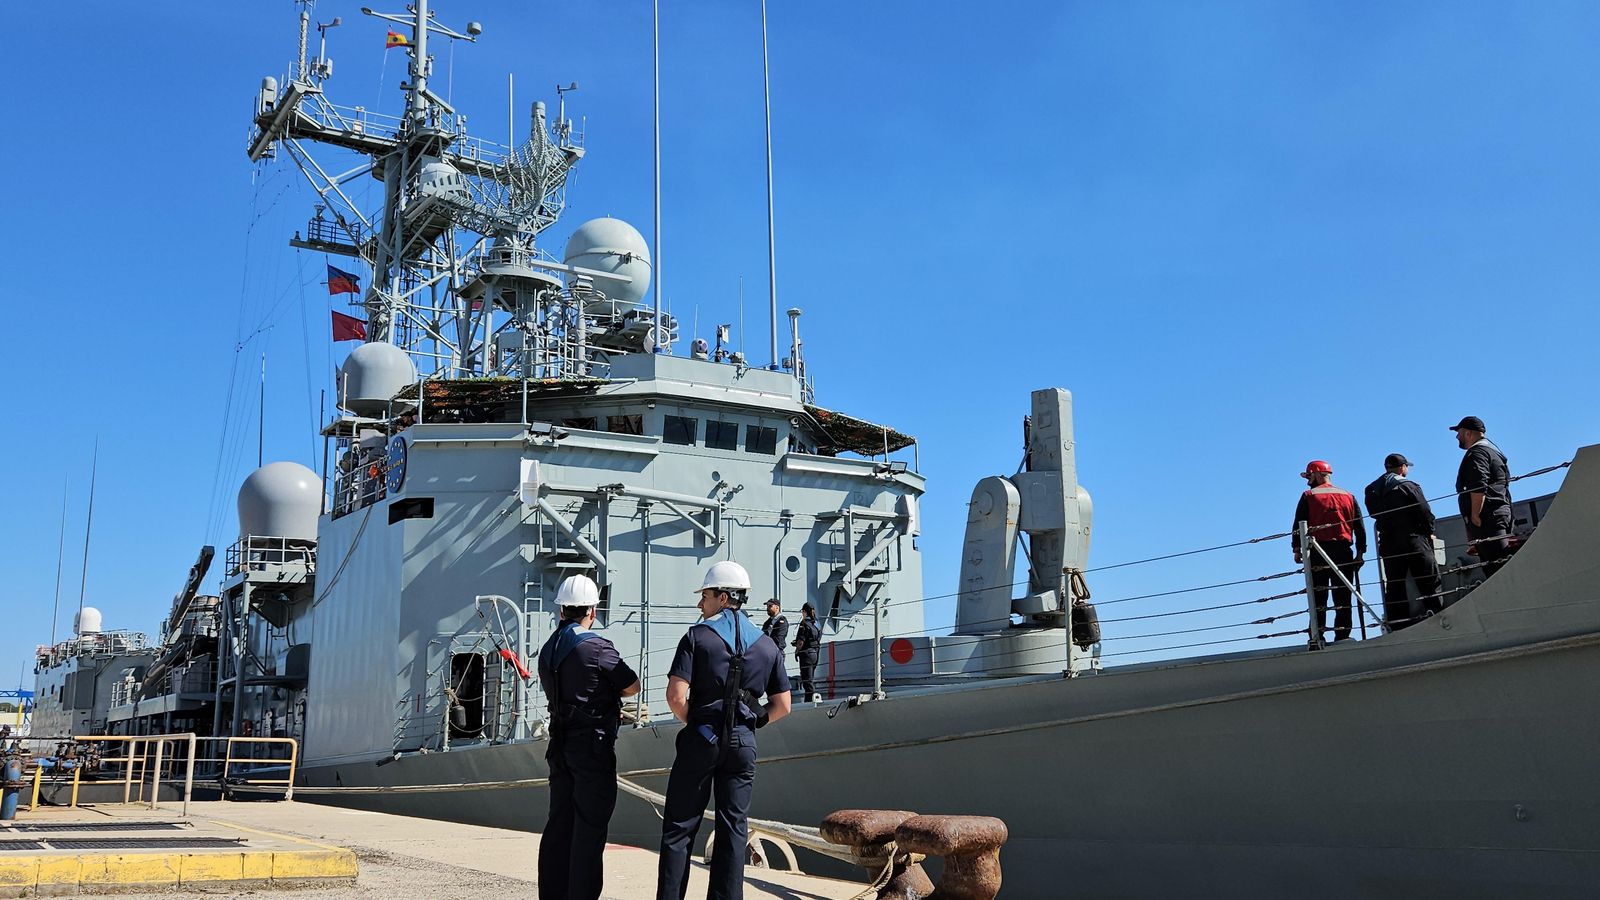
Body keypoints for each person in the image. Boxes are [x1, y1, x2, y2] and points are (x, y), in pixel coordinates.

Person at [657, 561, 792, 900]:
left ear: (722, 596)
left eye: (704, 596)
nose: (700, 603)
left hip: (702, 739)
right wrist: (751, 723)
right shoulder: (766, 644)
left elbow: (675, 696)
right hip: (743, 744)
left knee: (679, 828)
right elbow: (783, 705)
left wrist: (698, 722)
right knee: (733, 830)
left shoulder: (696, 636)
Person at [536, 575, 641, 900]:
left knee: (558, 826)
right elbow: (632, 685)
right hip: (591, 748)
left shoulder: (548, 649)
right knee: (589, 828)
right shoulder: (596, 647)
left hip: (559, 746)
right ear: (592, 611)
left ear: (561, 610)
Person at [1291, 460, 1368, 645]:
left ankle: (1317, 635)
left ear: (1317, 474)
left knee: (1318, 595)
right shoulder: (1348, 496)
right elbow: (1359, 526)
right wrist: (1360, 553)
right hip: (1344, 551)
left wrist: (1297, 549)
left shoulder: (1308, 496)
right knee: (1343, 594)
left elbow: (1299, 524)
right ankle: (1343, 635)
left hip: (1318, 551)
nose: (1308, 480)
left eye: (1309, 476)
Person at [1364, 453, 1444, 629]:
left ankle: (1398, 624)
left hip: (1388, 542)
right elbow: (1424, 510)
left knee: (1394, 585)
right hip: (1413, 539)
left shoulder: (1371, 489)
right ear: (1402, 467)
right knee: (1428, 579)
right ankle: (1437, 617)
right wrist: (1429, 530)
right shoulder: (1409, 486)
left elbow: (1373, 514)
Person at [1451, 416, 1514, 578]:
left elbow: (1478, 484)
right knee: (1498, 566)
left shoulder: (1477, 453)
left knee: (1496, 569)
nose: (1457, 436)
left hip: (1488, 518)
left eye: (1459, 432)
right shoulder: (1493, 452)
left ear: (1468, 433)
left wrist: (1475, 515)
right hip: (1497, 514)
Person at [793, 602, 822, 701]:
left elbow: (801, 641)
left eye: (802, 611)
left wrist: (797, 651)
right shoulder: (817, 623)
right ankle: (810, 699)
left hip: (807, 654)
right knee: (810, 678)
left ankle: (810, 701)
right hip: (816, 653)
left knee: (807, 681)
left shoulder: (804, 623)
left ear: (805, 611)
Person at [759, 599, 789, 665]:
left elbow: (779, 638)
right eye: (767, 606)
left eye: (770, 606)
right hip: (767, 652)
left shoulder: (782, 621)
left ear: (777, 607)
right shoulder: (768, 622)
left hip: (777, 651)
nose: (767, 609)